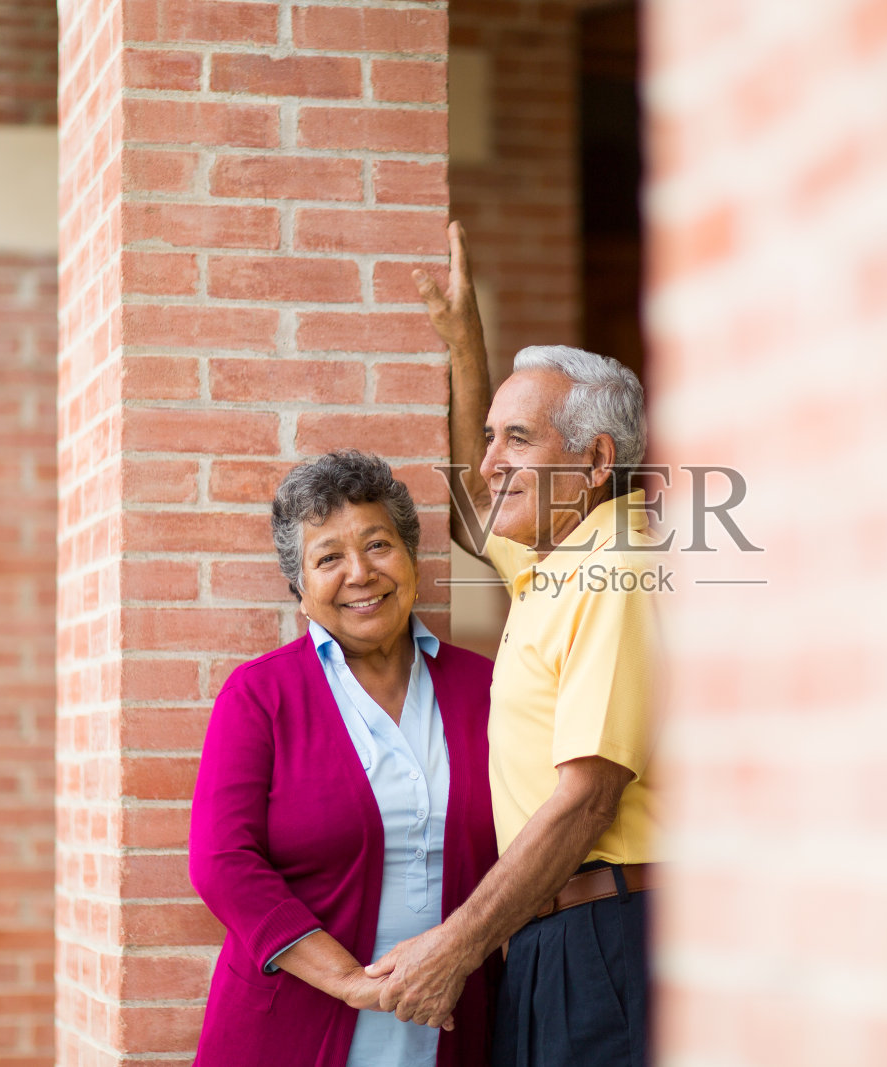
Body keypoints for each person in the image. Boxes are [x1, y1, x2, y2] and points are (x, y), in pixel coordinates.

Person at [363, 222, 660, 1067]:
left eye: (517, 440)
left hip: (605, 933)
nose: (489, 462)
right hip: (552, 935)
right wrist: (465, 339)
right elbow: (472, 510)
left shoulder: (618, 569)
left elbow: (587, 798)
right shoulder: (552, 559)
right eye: (491, 437)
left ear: (595, 460)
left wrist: (455, 945)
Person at [189, 449, 500, 1067]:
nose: (360, 573)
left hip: (453, 1019)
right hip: (293, 1024)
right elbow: (222, 862)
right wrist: (350, 982)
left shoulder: (488, 689)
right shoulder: (261, 695)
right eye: (328, 557)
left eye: (378, 545)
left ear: (412, 560)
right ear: (301, 591)